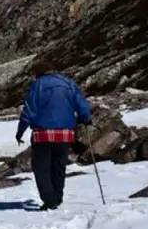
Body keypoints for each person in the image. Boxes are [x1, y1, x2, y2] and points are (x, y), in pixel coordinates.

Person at [16, 59, 93, 211]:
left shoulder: (38, 85)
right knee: (58, 167)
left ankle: (50, 200)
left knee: (42, 168)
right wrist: (86, 118)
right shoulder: (68, 83)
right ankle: (57, 197)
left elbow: (29, 111)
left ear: (38, 73)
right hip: (65, 134)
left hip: (43, 134)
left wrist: (20, 132)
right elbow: (81, 103)